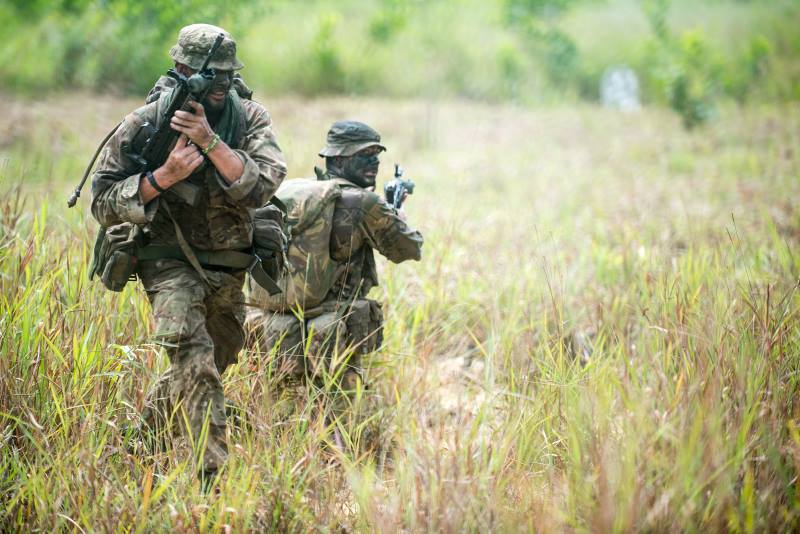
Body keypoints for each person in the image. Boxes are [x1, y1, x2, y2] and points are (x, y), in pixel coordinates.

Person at [90, 23, 287, 484]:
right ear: (182, 68)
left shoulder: (249, 118)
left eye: (227, 74)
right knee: (193, 360)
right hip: (167, 261)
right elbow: (102, 201)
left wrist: (210, 141)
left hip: (229, 263)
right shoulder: (147, 122)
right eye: (210, 74)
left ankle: (141, 443)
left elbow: (264, 184)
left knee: (218, 356)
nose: (220, 84)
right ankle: (210, 478)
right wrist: (164, 177)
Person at [247, 120, 423, 390]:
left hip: (274, 321)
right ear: (338, 159)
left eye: (376, 154)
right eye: (364, 154)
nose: (374, 161)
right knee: (337, 407)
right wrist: (398, 215)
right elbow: (409, 249)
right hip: (331, 325)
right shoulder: (363, 202)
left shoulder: (294, 193)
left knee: (277, 400)